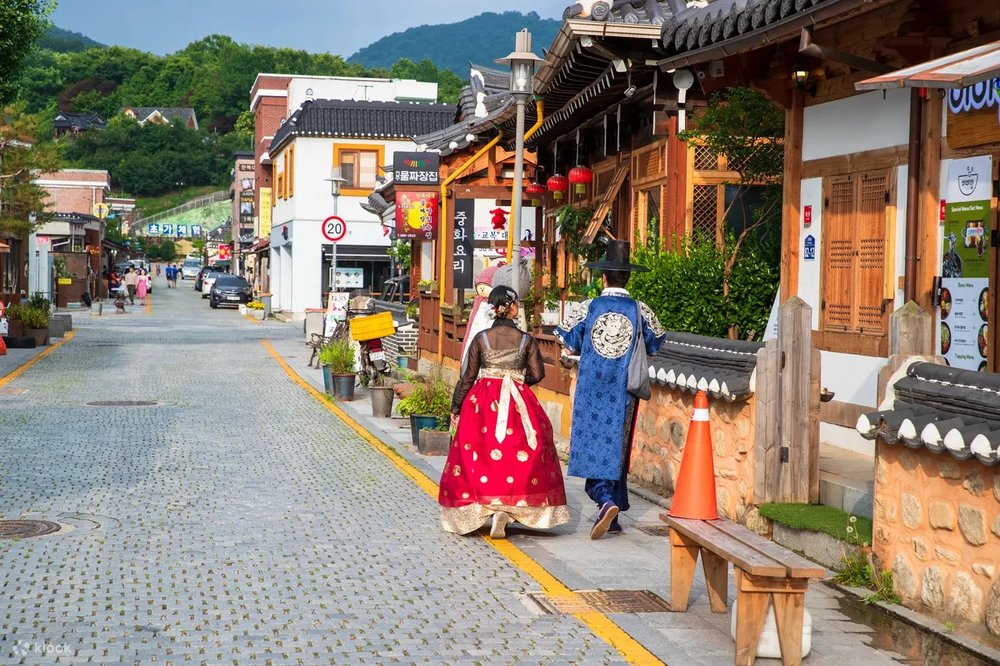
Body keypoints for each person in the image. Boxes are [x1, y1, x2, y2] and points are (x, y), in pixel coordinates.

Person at [555, 241, 667, 539]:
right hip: (624, 391)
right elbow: (655, 344)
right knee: (617, 445)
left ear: (602, 277)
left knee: (592, 444)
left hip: (591, 388)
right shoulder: (641, 310)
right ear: (627, 277)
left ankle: (604, 499)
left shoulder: (587, 308)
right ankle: (613, 507)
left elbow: (569, 342)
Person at [439, 286, 570, 539]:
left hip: (483, 400)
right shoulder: (526, 339)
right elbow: (539, 374)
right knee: (520, 449)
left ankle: (487, 507)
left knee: (479, 450)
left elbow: (467, 377)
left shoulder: (481, 339)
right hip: (518, 398)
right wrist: (517, 382)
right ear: (510, 307)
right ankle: (510, 508)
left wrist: (457, 407)